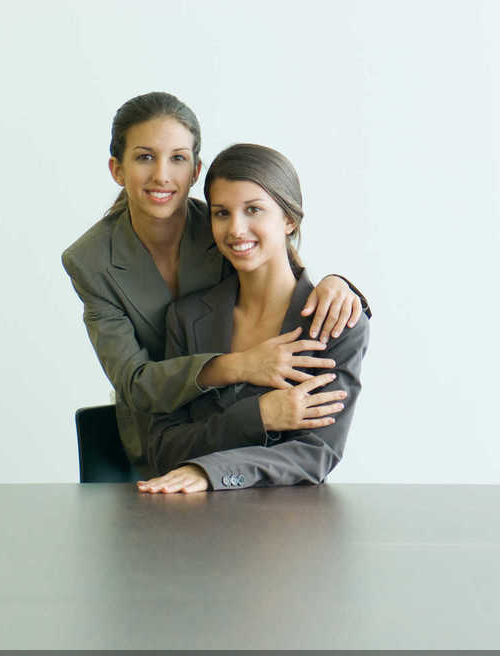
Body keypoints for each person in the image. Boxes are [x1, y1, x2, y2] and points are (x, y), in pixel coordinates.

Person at [62, 93, 370, 472]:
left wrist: (337, 284)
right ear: (117, 169)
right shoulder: (90, 261)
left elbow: (274, 245)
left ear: (195, 170)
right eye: (145, 157)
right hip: (164, 437)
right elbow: (136, 383)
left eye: (177, 158)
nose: (162, 175)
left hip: (249, 451)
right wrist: (240, 367)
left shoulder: (221, 223)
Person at [137, 143, 369, 493]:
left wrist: (211, 472)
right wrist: (258, 415)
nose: (235, 229)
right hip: (188, 518)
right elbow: (164, 448)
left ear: (289, 219)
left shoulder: (336, 324)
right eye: (222, 213)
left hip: (288, 521)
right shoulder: (186, 318)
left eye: (253, 210)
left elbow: (316, 453)